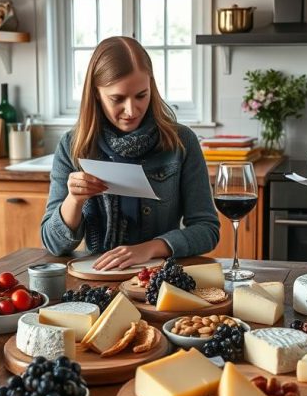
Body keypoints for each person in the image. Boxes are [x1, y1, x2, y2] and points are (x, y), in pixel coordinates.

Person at [41, 36, 220, 270]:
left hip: (159, 281)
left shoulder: (181, 141)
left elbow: (207, 230)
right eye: (117, 99)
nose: (131, 110)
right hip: (96, 281)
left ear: (151, 87)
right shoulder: (72, 146)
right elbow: (53, 244)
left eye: (141, 96)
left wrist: (150, 249)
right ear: (96, 93)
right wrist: (74, 200)